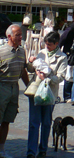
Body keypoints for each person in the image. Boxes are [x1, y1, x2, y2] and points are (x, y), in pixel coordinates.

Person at [26, 30, 67, 158]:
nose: (47, 47)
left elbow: (61, 77)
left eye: (49, 45)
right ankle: (31, 152)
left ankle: (43, 149)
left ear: (56, 44)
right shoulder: (42, 53)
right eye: (46, 44)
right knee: (34, 123)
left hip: (49, 93)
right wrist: (31, 63)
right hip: (36, 91)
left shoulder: (62, 57)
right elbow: (32, 68)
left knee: (46, 122)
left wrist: (47, 77)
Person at [0, 24, 29, 158]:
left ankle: (1, 149)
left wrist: (29, 87)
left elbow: (23, 70)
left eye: (20, 34)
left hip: (14, 88)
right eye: (18, 35)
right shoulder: (1, 52)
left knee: (7, 120)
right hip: (2, 87)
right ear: (9, 36)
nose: (20, 37)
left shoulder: (22, 51)